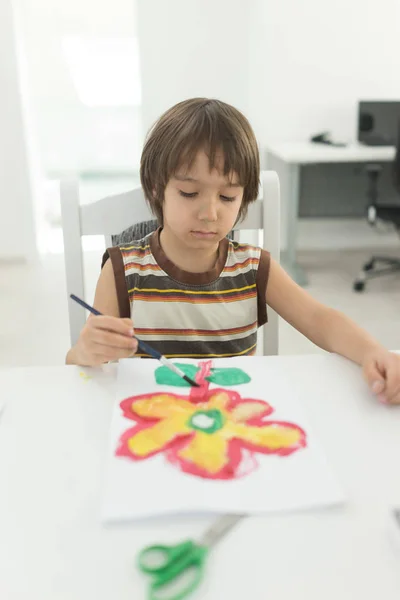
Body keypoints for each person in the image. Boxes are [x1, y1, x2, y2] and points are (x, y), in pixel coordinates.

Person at [66, 98, 400, 405]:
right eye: (188, 192)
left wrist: (373, 352)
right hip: (153, 421)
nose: (210, 212)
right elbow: (80, 367)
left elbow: (320, 320)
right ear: (156, 187)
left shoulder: (253, 267)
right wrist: (86, 350)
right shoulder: (123, 270)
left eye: (227, 197)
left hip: (234, 422)